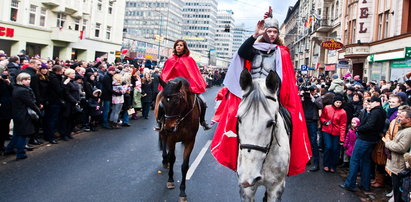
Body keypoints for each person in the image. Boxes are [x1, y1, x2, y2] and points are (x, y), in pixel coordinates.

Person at [210, 8, 311, 176]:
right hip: (252, 93)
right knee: (236, 115)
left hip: (271, 94)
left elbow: (285, 78)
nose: (271, 34)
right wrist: (254, 34)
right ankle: (235, 152)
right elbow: (241, 52)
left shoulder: (282, 52)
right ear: (264, 32)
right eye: (268, 31)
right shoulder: (254, 49)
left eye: (274, 31)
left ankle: (289, 154)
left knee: (289, 119)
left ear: (278, 33)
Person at [156, 39, 210, 130]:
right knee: (161, 102)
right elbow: (166, 74)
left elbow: (194, 74)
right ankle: (159, 122)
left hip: (187, 86)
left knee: (203, 101)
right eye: (177, 45)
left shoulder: (189, 60)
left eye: (181, 45)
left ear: (184, 47)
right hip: (173, 87)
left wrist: (192, 85)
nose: (179, 47)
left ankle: (202, 121)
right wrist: (169, 84)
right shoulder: (170, 60)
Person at [341, 96, 387, 191]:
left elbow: (370, 125)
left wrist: (359, 129)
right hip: (372, 139)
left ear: (376, 102)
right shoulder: (382, 111)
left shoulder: (375, 112)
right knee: (366, 161)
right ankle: (365, 184)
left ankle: (350, 184)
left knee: (354, 160)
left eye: (371, 102)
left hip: (365, 139)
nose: (370, 104)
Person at [4, 73, 40, 160]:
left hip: (18, 114)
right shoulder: (23, 90)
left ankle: (9, 149)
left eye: (29, 79)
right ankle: (21, 153)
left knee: (17, 133)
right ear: (20, 80)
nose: (28, 81)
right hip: (23, 114)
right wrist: (38, 111)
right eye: (26, 79)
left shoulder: (17, 88)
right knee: (22, 134)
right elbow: (30, 103)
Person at [383, 109, 411, 202]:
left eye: (401, 117)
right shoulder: (403, 128)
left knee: (399, 191)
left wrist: (388, 143)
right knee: (396, 188)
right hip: (396, 164)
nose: (398, 118)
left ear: (408, 119)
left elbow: (401, 147)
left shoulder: (408, 132)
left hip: (400, 166)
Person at [320, 94, 347, 173]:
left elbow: (343, 126)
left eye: (340, 102)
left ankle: (333, 165)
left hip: (336, 132)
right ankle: (326, 164)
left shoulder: (343, 112)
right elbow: (322, 117)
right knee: (328, 147)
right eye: (337, 102)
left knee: (335, 149)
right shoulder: (327, 108)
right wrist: (324, 122)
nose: (338, 104)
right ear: (334, 102)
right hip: (326, 130)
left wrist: (342, 139)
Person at [302, 86, 323, 172]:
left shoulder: (317, 98)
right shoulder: (303, 98)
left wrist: (313, 98)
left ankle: (316, 164)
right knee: (305, 142)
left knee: (314, 142)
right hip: (304, 121)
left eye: (311, 91)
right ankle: (307, 159)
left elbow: (320, 106)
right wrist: (301, 97)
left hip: (312, 122)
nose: (309, 93)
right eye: (309, 91)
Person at [61, 69, 80, 141]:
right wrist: (74, 100)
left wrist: (77, 100)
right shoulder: (66, 82)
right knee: (66, 119)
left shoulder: (74, 82)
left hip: (74, 102)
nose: (74, 75)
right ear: (68, 74)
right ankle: (64, 134)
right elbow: (66, 93)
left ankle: (69, 132)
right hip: (68, 103)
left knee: (72, 118)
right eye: (72, 73)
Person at [0, 68, 12, 153]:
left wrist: (9, 83)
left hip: (6, 108)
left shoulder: (6, 82)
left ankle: (1, 145)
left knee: (4, 128)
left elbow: (13, 92)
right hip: (2, 107)